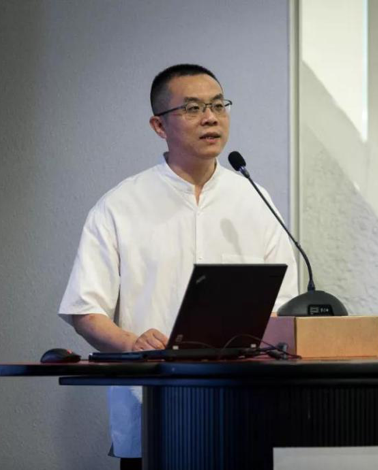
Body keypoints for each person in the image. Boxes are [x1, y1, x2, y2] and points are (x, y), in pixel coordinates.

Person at [57, 64, 298, 469]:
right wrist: (131, 343)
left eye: (218, 105)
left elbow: (283, 307)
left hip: (244, 407)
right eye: (193, 108)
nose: (211, 118)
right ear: (159, 125)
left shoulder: (255, 200)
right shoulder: (120, 206)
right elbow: (84, 310)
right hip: (153, 407)